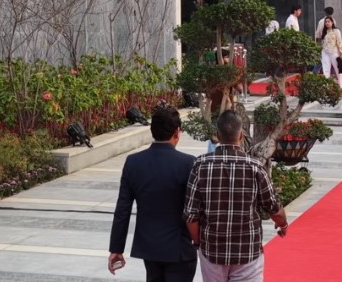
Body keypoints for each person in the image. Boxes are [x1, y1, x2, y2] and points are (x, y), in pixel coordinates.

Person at [184, 110, 287, 282]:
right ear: (241, 135)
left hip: (212, 252)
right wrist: (283, 224)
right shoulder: (255, 167)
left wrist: (198, 242)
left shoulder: (200, 165)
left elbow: (190, 215)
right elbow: (274, 207)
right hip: (247, 253)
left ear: (218, 135)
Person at [109, 104, 199, 282]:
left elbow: (122, 209)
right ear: (177, 132)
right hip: (179, 248)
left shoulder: (133, 162)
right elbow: (196, 208)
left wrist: (116, 248)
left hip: (149, 248)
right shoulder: (189, 163)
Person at [318, 16, 342, 88]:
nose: (327, 23)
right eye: (326, 22)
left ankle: (341, 85)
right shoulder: (324, 31)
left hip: (334, 52)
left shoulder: (336, 31)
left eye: (328, 21)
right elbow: (322, 41)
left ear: (332, 22)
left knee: (338, 69)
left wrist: (341, 53)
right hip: (325, 52)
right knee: (326, 69)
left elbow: (339, 42)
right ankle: (326, 85)